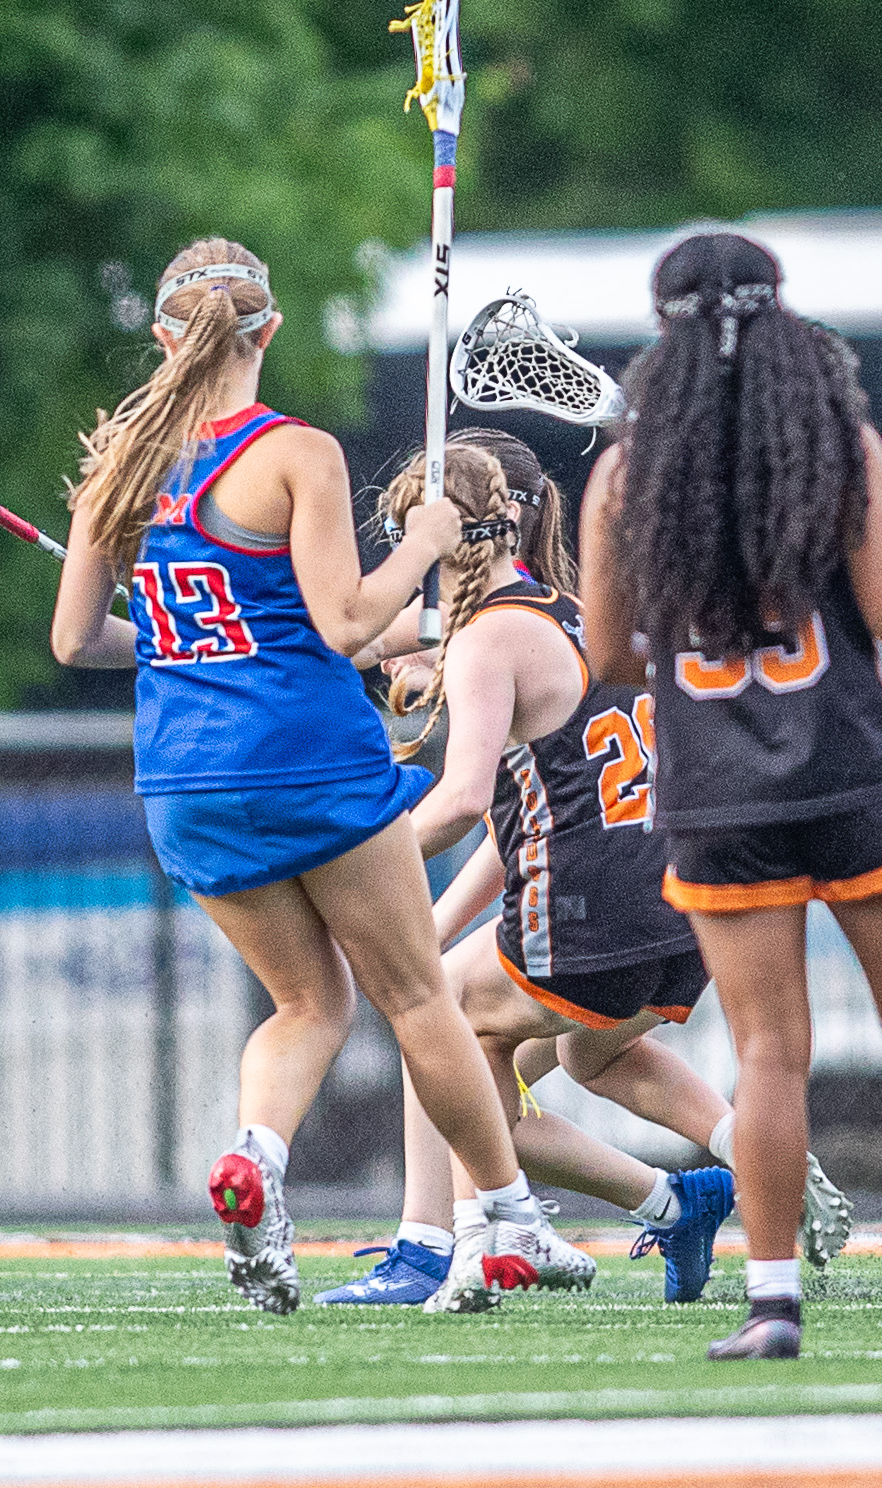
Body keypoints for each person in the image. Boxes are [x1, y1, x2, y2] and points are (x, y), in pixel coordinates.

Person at [49, 240, 577, 1315]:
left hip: (185, 781)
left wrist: (187, 641)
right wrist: (425, 541)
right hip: (310, 761)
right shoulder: (295, 453)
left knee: (306, 1002)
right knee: (416, 997)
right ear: (270, 329)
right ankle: (510, 1213)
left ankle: (256, 1154)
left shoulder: (120, 465)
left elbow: (77, 640)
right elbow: (345, 619)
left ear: (163, 336)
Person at [317, 431, 846, 1311]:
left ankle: (468, 1237)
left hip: (595, 906)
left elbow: (462, 800)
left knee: (437, 1017)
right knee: (578, 1057)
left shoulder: (487, 639)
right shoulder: (580, 614)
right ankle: (717, 1169)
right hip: (677, 906)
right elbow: (363, 642)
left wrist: (355, 868)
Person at [582, 231, 882, 1360]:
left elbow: (606, 654)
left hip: (717, 794)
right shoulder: (843, 448)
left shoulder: (628, 475)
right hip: (850, 771)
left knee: (768, 1053)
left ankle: (773, 1304)